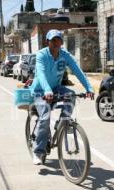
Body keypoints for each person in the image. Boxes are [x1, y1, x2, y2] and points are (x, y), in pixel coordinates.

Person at [29, 29, 95, 165]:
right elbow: (40, 74)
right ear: (47, 42)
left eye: (58, 40)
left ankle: (63, 122)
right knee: (45, 116)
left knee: (70, 95)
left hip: (56, 88)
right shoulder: (41, 55)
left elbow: (77, 70)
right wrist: (47, 90)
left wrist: (89, 88)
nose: (56, 43)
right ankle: (38, 152)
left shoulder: (65, 55)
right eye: (53, 40)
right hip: (40, 91)